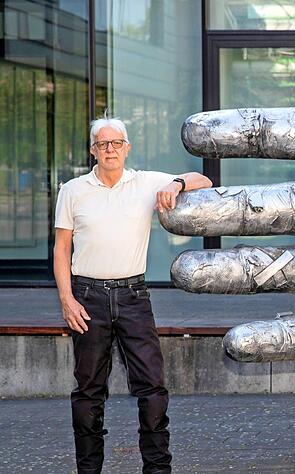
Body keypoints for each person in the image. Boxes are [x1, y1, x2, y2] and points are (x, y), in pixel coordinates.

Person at [53, 116, 212, 474]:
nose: (110, 149)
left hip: (133, 297)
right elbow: (61, 249)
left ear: (127, 148)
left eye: (116, 143)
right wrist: (67, 299)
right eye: (102, 144)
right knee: (88, 392)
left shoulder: (145, 183)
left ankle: (158, 470)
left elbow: (204, 180)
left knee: (153, 388)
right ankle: (88, 470)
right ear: (93, 150)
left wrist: (175, 184)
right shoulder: (73, 190)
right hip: (87, 298)